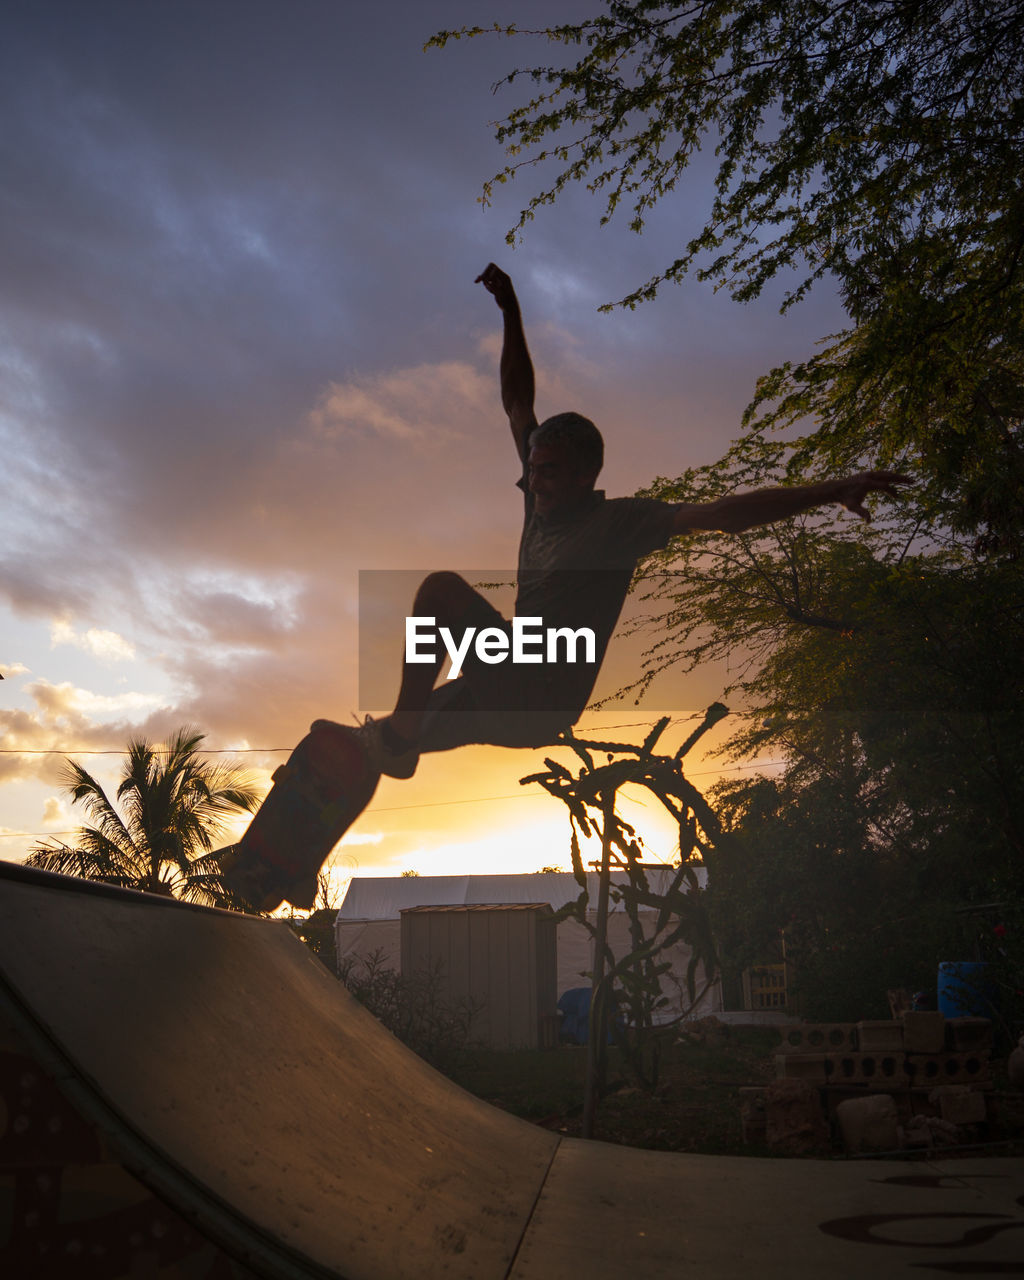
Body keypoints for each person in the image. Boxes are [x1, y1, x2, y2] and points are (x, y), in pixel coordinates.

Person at [357, 263, 910, 779]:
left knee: (439, 594)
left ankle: (404, 734)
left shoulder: (621, 525)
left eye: (549, 474)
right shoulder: (539, 495)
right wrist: (510, 312)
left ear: (583, 478)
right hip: (509, 682)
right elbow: (517, 402)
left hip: (541, 692)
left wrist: (833, 489)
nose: (536, 484)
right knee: (388, 738)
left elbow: (721, 515)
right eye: (533, 470)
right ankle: (381, 750)